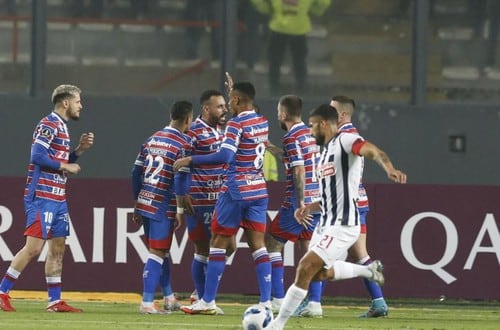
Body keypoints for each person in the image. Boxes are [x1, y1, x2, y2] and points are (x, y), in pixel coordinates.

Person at [266, 104, 406, 329]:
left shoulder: (346, 140)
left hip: (344, 224)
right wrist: (308, 208)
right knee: (318, 274)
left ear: (323, 124)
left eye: (312, 126)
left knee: (304, 267)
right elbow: (330, 195)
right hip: (326, 222)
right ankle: (368, 270)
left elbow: (374, 151)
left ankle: (276, 325)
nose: (310, 132)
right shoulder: (324, 153)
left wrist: (389, 168)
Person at [0, 84, 94, 312]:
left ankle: (54, 301)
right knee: (33, 248)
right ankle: (1, 291)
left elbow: (56, 158)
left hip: (58, 197)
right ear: (66, 102)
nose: (81, 105)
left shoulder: (63, 127)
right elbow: (37, 156)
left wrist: (78, 152)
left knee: (58, 249)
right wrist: (66, 164)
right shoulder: (48, 124)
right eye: (78, 101)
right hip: (42, 195)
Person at [174, 79, 272, 315]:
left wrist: (190, 160)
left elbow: (226, 156)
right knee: (257, 246)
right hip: (257, 189)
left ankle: (207, 301)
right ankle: (267, 301)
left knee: (218, 244)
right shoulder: (262, 121)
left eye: (229, 101)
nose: (227, 106)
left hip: (235, 190)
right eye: (222, 104)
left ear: (237, 100)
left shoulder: (234, 125)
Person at [131, 100, 194, 314]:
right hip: (162, 204)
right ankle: (147, 302)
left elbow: (135, 173)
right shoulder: (183, 143)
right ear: (188, 119)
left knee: (161, 251)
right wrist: (178, 210)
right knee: (157, 252)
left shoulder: (152, 139)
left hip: (146, 200)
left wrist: (136, 201)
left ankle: (168, 297)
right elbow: (180, 180)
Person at [266, 95, 322, 314]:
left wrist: (300, 204)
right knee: (310, 251)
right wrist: (270, 147)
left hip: (298, 203)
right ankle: (315, 303)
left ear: (283, 114)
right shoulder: (310, 134)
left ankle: (278, 298)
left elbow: (298, 169)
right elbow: (292, 159)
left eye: (278, 112)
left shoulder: (291, 137)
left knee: (272, 242)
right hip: (318, 200)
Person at [183, 90, 229, 309]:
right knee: (202, 249)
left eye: (225, 105)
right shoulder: (193, 131)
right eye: (219, 106)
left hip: (221, 198)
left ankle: (202, 295)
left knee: (229, 246)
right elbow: (180, 164)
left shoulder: (223, 129)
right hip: (199, 198)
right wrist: (183, 195)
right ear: (206, 108)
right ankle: (202, 297)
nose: (224, 109)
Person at [251, 0, 331, 95]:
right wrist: (312, 10)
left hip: (278, 27)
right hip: (299, 28)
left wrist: (268, 9)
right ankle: (301, 90)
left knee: (275, 62)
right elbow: (322, 4)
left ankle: (274, 90)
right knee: (299, 63)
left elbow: (262, 7)